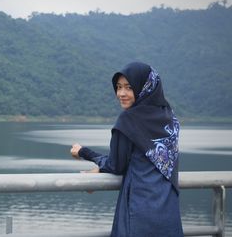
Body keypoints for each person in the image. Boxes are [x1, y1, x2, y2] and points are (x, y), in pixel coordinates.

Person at [70, 62, 183, 237]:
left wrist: (84, 152)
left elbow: (116, 166)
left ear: (144, 87)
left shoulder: (129, 120)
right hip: (168, 208)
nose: (121, 94)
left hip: (139, 209)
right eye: (118, 87)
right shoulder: (169, 118)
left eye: (129, 88)